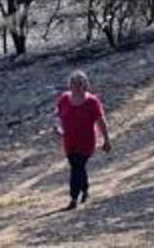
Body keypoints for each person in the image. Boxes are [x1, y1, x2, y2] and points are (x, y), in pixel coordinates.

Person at [52, 70, 111, 210]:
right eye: (73, 84)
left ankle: (73, 198)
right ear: (69, 86)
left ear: (85, 85)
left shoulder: (92, 101)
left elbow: (101, 121)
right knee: (77, 167)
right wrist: (57, 129)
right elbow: (57, 116)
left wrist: (106, 140)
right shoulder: (64, 99)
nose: (77, 87)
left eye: (80, 84)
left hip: (87, 141)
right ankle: (85, 189)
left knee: (77, 167)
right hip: (69, 141)